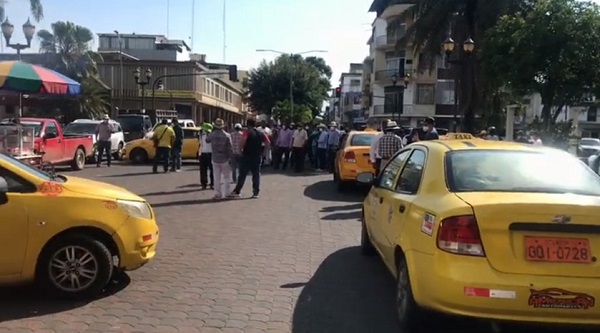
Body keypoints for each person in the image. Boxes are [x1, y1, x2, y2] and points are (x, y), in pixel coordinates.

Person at [229, 118, 270, 199]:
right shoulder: (261, 134)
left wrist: (240, 150)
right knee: (256, 174)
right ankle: (256, 192)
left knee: (242, 175)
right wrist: (264, 152)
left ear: (248, 125)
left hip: (247, 156)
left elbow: (243, 142)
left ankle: (237, 191)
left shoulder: (247, 133)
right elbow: (268, 143)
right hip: (257, 156)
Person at [206, 118, 233, 200]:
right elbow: (230, 148)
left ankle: (218, 194)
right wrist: (231, 158)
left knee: (216, 177)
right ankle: (227, 193)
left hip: (215, 158)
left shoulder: (212, 134)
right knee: (227, 177)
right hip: (224, 158)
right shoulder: (227, 135)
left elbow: (207, 140)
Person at [199, 123, 214, 189]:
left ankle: (206, 184)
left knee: (206, 170)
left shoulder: (201, 134)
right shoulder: (201, 134)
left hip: (205, 153)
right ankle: (208, 184)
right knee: (209, 169)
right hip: (207, 153)